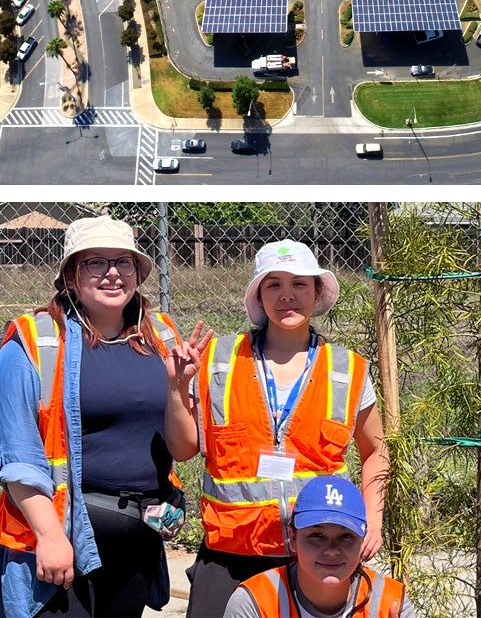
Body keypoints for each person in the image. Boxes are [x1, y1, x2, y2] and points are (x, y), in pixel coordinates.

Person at [0, 215, 211, 618]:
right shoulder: (34, 341)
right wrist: (49, 536)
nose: (112, 273)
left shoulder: (161, 335)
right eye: (95, 262)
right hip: (62, 543)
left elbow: (183, 449)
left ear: (138, 272)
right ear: (71, 274)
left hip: (137, 542)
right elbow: (18, 456)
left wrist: (176, 388)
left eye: (123, 262)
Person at [187, 239, 390, 617]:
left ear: (317, 292)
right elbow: (183, 446)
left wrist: (373, 521)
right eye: (274, 284)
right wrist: (174, 388)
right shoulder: (219, 360)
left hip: (315, 557)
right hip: (230, 555)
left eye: (299, 284)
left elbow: (376, 450)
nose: (287, 296)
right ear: (259, 296)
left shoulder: (346, 370)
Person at [223, 475, 412, 618]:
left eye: (346, 536)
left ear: (363, 539)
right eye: (316, 535)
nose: (331, 549)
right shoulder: (255, 601)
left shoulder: (390, 602)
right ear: (292, 537)